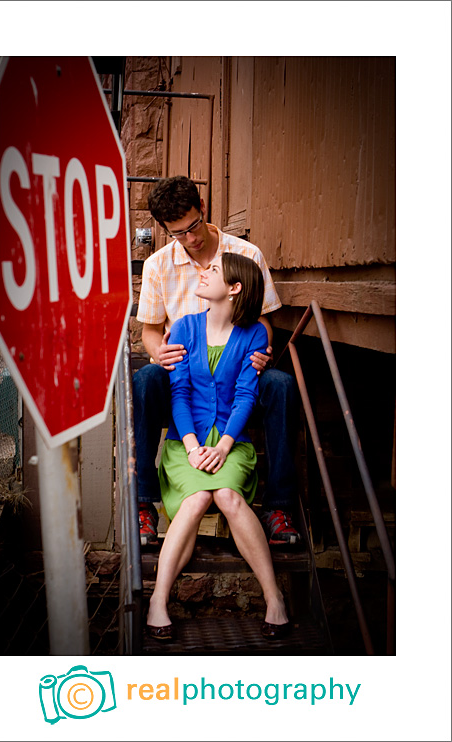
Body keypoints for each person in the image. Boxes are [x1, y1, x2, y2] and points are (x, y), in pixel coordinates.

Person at [133, 176, 300, 547]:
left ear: (203, 208)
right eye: (178, 233)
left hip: (236, 366)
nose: (190, 239)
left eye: (193, 226)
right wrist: (158, 352)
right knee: (144, 381)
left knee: (282, 385)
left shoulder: (245, 254)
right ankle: (143, 505)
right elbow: (149, 330)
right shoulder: (158, 265)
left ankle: (279, 506)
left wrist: (259, 351)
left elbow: (265, 320)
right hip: (183, 374)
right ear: (165, 231)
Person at [146, 253, 290, 641]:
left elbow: (246, 395)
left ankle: (273, 598)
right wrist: (192, 446)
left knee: (227, 495)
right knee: (195, 501)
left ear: (234, 288)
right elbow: (179, 394)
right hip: (185, 443)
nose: (202, 272)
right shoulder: (184, 328)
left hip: (231, 442)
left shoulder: (254, 335)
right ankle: (158, 599)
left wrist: (224, 447)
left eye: (212, 271)